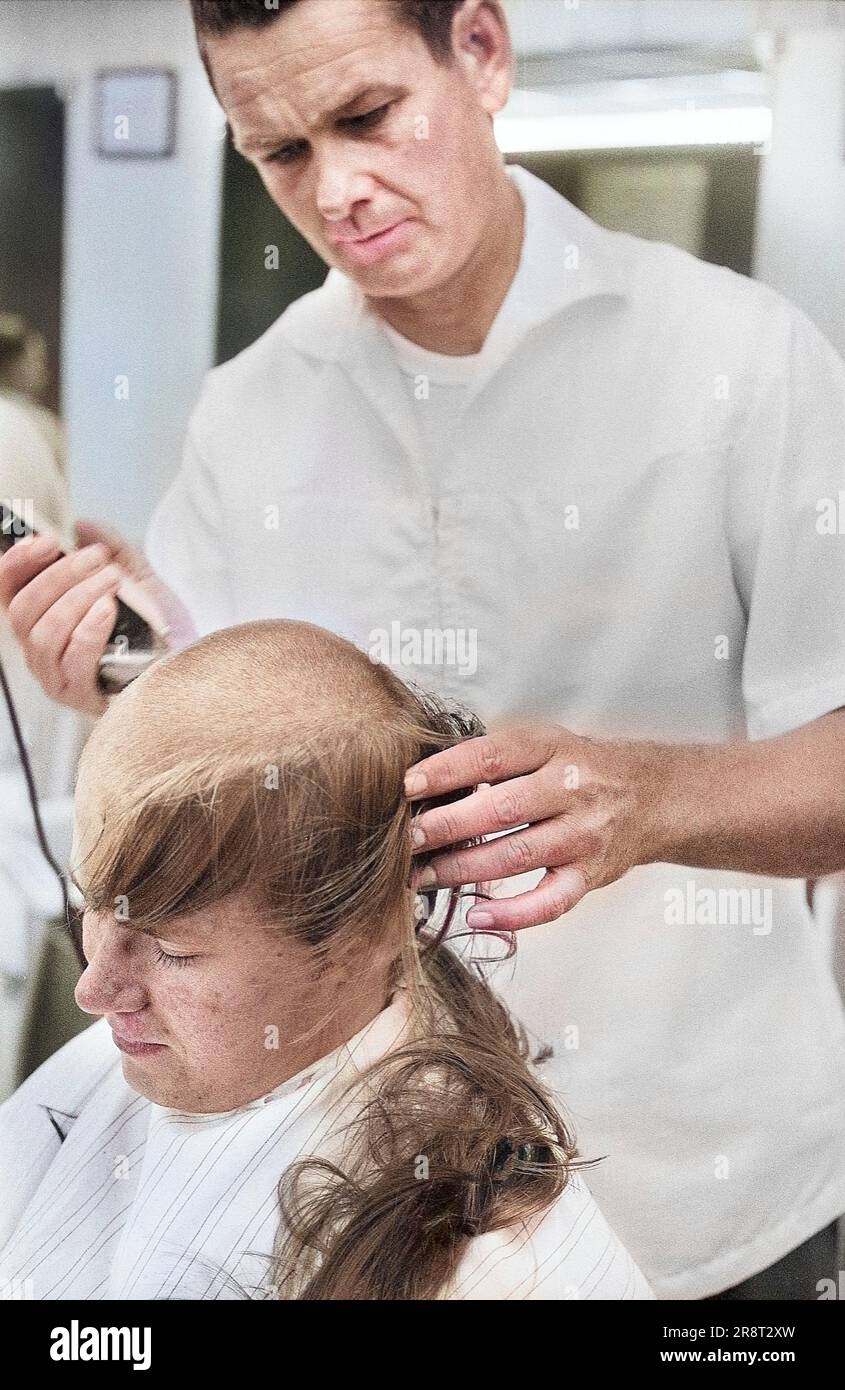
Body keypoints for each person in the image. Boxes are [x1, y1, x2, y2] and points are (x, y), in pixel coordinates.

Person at [0, 0, 843, 1298]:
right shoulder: (249, 418)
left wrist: (656, 798)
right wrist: (119, 682)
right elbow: (232, 756)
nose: (336, 189)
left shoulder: (739, 364)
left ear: (482, 52)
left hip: (715, 1196)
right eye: (278, 151)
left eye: (366, 116)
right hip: (388, 1214)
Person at [0, 618, 654, 1300]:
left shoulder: (487, 1274)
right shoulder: (131, 1061)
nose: (95, 990)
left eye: (173, 951)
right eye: (92, 903)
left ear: (352, 943)